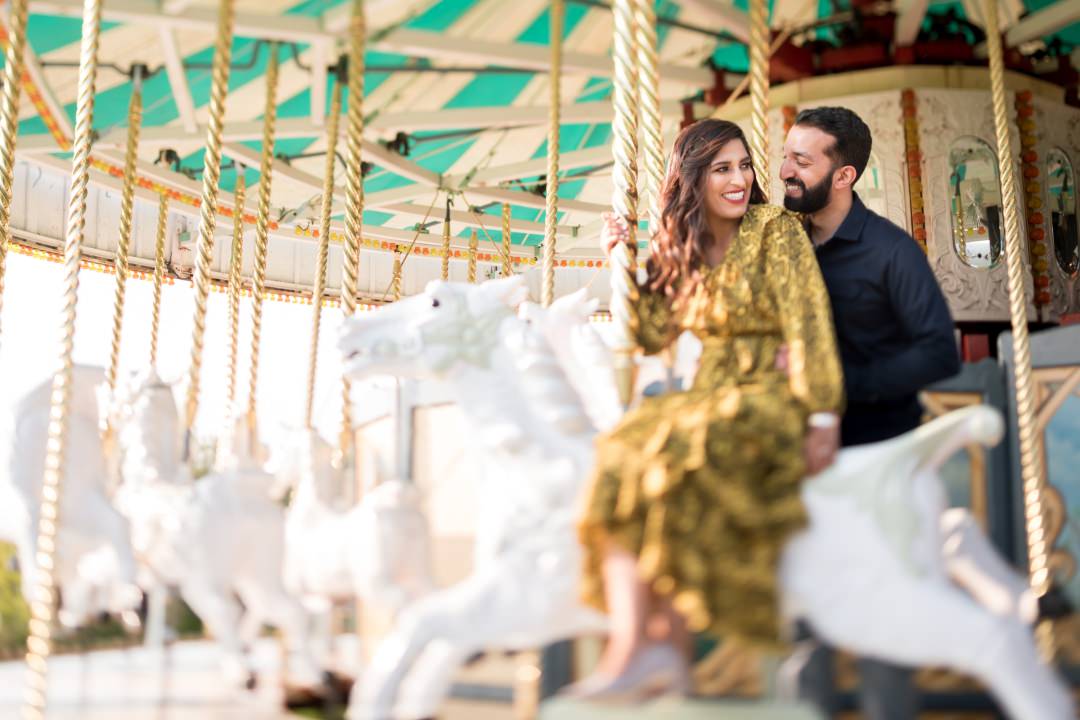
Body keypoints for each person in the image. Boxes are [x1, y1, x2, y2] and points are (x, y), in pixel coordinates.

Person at [570, 118, 844, 702]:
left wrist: (822, 412)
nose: (739, 179)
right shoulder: (683, 244)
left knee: (682, 446)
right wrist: (618, 257)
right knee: (618, 452)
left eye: (744, 166)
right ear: (693, 180)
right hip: (708, 388)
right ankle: (637, 644)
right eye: (722, 169)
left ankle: (671, 638)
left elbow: (809, 318)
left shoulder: (776, 229)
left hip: (768, 392)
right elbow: (646, 335)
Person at [779, 106, 961, 719]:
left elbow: (940, 352)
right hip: (806, 461)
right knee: (808, 618)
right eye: (786, 156)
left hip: (878, 455)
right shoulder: (780, 242)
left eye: (802, 161)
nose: (785, 171)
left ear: (844, 175)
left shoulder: (890, 252)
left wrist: (841, 386)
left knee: (883, 616)